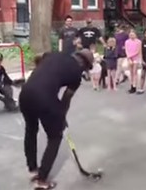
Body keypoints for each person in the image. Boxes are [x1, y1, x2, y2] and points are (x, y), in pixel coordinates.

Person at [19, 49, 94, 189]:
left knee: (31, 130)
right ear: (84, 64)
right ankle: (41, 180)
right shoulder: (76, 75)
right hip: (44, 98)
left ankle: (32, 168)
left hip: (25, 92)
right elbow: (66, 98)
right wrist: (61, 116)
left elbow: (39, 56)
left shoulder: (55, 54)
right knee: (55, 137)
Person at [125, 29, 142, 94]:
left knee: (135, 72)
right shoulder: (127, 42)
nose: (131, 36)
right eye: (130, 34)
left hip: (136, 58)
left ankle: (135, 86)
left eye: (133, 34)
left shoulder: (138, 42)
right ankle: (131, 85)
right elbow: (126, 50)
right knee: (131, 72)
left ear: (135, 35)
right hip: (129, 58)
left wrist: (130, 56)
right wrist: (129, 58)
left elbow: (138, 51)